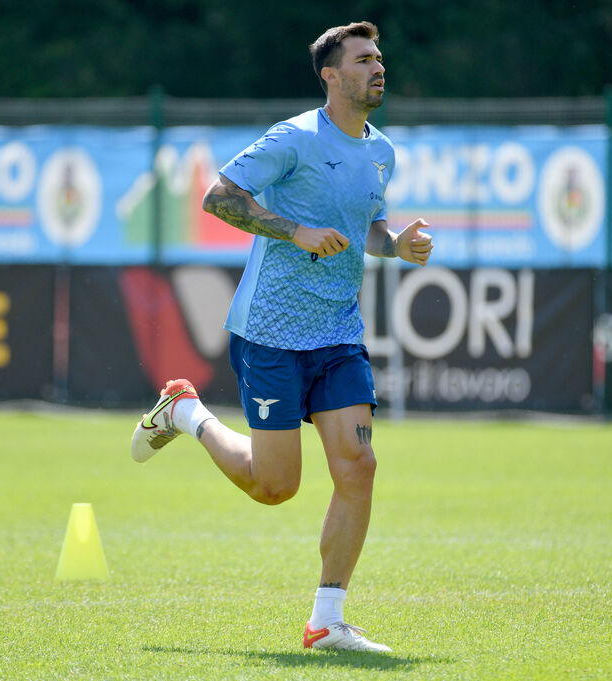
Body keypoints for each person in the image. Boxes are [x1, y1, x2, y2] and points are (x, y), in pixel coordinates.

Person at [130, 20, 432, 653]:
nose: (379, 67)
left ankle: (327, 622)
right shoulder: (293, 138)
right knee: (276, 487)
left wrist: (395, 244)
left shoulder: (383, 151)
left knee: (359, 466)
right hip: (271, 333)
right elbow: (220, 198)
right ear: (331, 75)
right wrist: (293, 230)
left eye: (380, 57)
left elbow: (368, 231)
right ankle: (185, 412)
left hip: (338, 334)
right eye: (364, 59)